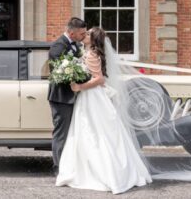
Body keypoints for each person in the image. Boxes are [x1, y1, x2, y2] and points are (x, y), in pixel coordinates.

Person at [55, 26, 153, 194]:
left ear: (93, 40)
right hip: (89, 97)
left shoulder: (92, 54)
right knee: (87, 131)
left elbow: (99, 79)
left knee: (96, 132)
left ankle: (106, 174)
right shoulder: (86, 52)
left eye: (88, 34)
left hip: (92, 97)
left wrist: (80, 86)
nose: (84, 36)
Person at [47, 17, 86, 170]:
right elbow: (58, 73)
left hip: (73, 96)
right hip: (61, 97)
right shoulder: (58, 46)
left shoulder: (76, 45)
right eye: (81, 33)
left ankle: (70, 165)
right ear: (71, 32)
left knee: (72, 131)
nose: (83, 36)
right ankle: (58, 167)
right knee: (61, 133)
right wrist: (79, 76)